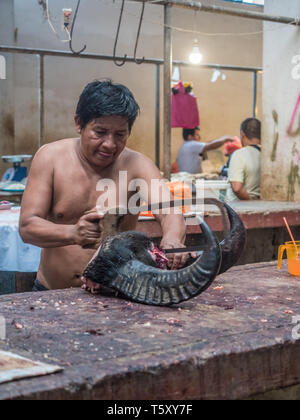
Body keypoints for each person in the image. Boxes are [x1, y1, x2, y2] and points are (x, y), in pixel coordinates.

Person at [19, 80, 192, 293]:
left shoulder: (138, 165)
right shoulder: (50, 158)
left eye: (120, 135)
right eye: (100, 132)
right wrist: (73, 233)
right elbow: (28, 226)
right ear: (79, 123)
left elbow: (170, 213)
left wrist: (173, 238)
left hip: (116, 295)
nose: (110, 144)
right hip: (52, 291)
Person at [227, 118, 261, 202]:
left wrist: (250, 202)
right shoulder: (267, 155)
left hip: (239, 209)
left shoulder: (239, 154)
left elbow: (237, 188)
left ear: (242, 134)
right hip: (261, 203)